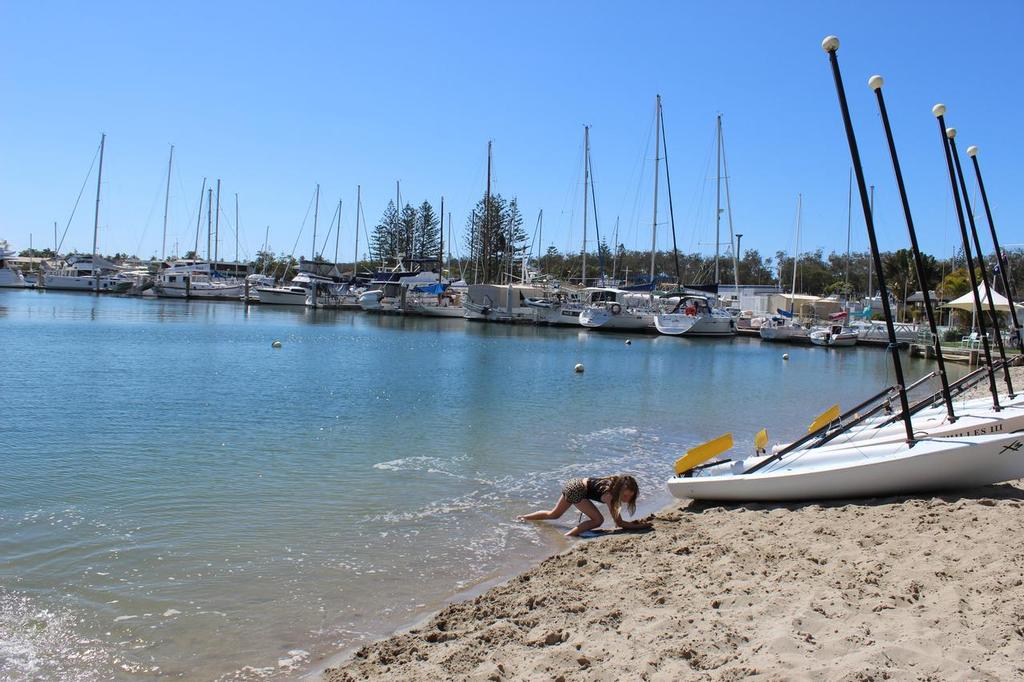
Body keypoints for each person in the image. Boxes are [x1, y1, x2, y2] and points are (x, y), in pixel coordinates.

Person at [519, 475, 652, 537]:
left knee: (554, 514)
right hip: (576, 489)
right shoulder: (610, 497)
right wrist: (642, 526)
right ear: (619, 490)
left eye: (630, 496)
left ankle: (523, 517)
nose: (627, 499)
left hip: (573, 483)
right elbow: (619, 523)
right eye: (625, 495)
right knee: (598, 520)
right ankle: (569, 535)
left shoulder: (615, 483)